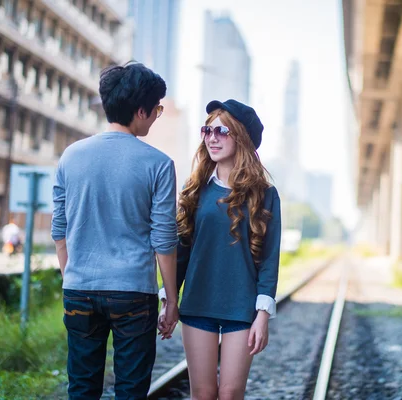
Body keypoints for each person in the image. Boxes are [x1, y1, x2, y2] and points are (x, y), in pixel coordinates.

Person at [51, 61, 180, 400]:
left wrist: (72, 277)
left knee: (81, 386)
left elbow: (59, 230)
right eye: (156, 110)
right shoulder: (159, 164)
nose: (156, 117)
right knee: (131, 389)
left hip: (79, 289)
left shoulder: (70, 156)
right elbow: (164, 239)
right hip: (133, 292)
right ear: (141, 111)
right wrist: (171, 299)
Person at [158, 99, 281, 400]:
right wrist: (169, 299)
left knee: (230, 393)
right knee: (202, 393)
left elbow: (269, 259)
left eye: (221, 131)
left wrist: (263, 315)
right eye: (207, 130)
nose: (212, 138)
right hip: (198, 304)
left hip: (242, 309)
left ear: (241, 137)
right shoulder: (196, 190)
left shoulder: (265, 195)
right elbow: (182, 251)